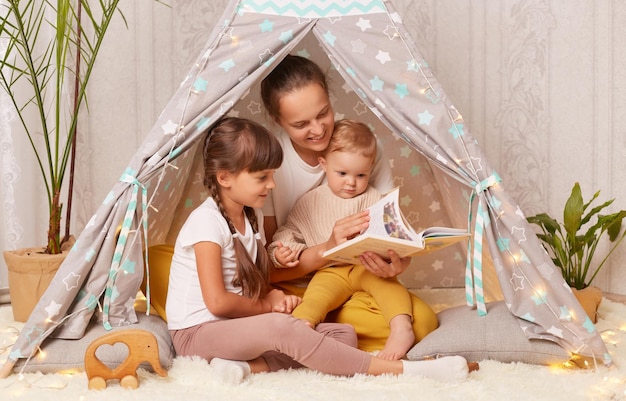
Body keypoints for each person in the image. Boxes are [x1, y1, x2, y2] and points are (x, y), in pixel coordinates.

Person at [165, 116, 474, 384]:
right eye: (262, 177)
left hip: (233, 329)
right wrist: (267, 305)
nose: (271, 185)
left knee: (342, 336)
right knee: (284, 328)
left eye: (272, 175)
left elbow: (262, 272)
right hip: (198, 334)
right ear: (224, 178)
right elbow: (217, 303)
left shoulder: (250, 215)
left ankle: (245, 367)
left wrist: (278, 285)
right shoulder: (206, 222)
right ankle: (401, 371)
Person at [260, 54, 438, 352]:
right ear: (278, 121)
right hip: (297, 285)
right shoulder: (269, 160)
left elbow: (390, 231)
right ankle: (316, 324)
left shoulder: (363, 146)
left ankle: (315, 330)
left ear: (330, 100)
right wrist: (325, 248)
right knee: (176, 266)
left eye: (323, 113)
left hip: (361, 280)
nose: (317, 130)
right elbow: (267, 267)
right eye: (301, 124)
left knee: (423, 322)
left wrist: (395, 262)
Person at [268, 119, 415, 360]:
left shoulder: (374, 198)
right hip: (329, 271)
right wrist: (281, 252)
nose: (351, 182)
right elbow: (287, 233)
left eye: (361, 174)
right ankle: (300, 329)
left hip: (365, 267)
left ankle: (401, 328)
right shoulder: (310, 201)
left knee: (390, 288)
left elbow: (393, 234)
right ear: (324, 164)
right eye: (343, 173)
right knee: (316, 297)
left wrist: (398, 252)